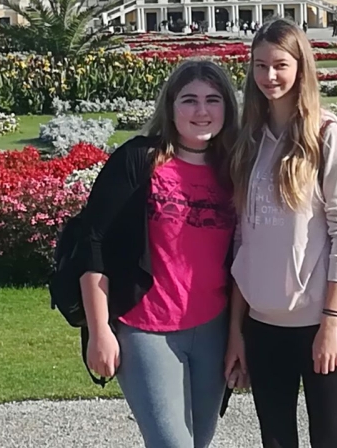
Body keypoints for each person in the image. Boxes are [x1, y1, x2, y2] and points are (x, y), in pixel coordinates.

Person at [78, 60, 240, 448]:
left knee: (198, 442)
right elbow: (92, 242)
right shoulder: (138, 160)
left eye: (212, 100)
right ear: (170, 106)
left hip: (212, 328)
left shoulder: (234, 168)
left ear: (227, 107)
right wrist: (99, 331)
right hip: (146, 327)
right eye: (189, 100)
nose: (201, 111)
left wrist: (238, 336)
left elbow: (243, 259)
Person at [226, 19, 337, 448]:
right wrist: (236, 331)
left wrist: (331, 323)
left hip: (318, 319)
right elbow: (243, 243)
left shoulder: (326, 136)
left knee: (329, 437)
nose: (269, 76)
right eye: (260, 65)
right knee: (276, 438)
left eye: (280, 65)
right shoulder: (249, 141)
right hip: (262, 324)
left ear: (301, 67)